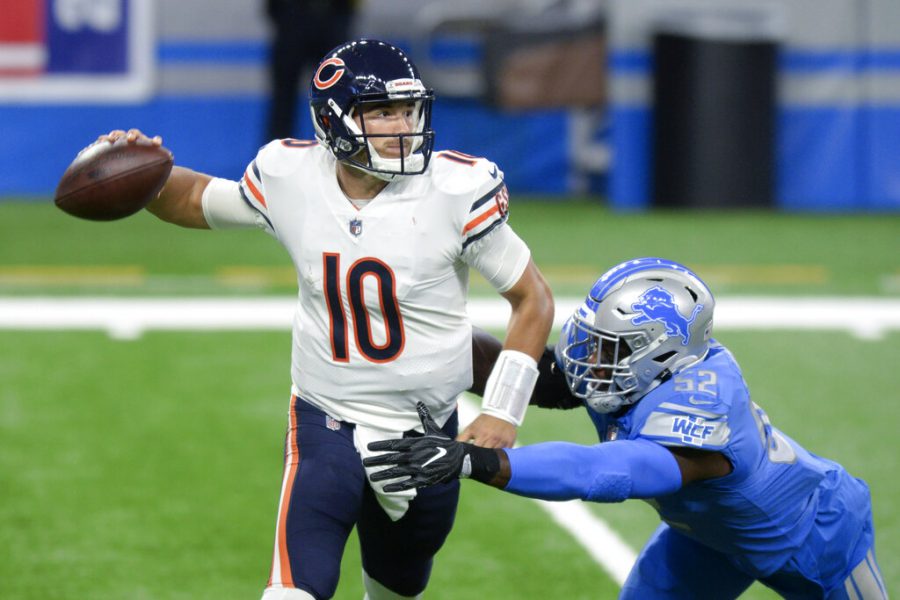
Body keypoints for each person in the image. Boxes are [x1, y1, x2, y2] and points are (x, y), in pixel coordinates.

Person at [95, 40, 554, 600]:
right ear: (332, 120)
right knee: (292, 590)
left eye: (407, 109)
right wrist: (145, 176)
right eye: (381, 111)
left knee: (396, 587)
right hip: (325, 421)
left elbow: (533, 299)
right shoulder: (291, 175)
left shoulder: (455, 190)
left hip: (424, 432)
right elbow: (199, 200)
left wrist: (503, 411)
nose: (401, 125)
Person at [364, 257, 887, 599]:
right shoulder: (635, 372)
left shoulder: (702, 404)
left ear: (660, 352)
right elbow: (542, 378)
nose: (586, 357)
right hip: (705, 536)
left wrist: (478, 461)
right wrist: (432, 338)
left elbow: (606, 471)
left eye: (606, 348)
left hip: (813, 534)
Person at [264, 0, 355, 141]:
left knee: (338, 95)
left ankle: (341, 151)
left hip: (333, 15)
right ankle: (277, 153)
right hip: (292, 16)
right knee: (283, 99)